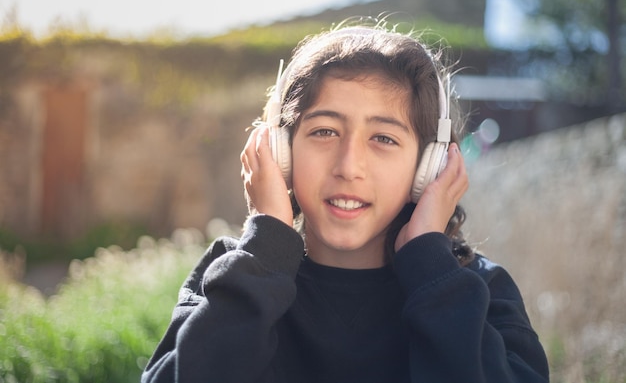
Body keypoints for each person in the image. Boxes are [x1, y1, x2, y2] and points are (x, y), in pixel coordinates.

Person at [141, 20, 550, 383]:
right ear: (281, 152)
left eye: (384, 138)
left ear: (428, 166)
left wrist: (430, 267)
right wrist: (266, 249)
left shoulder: (479, 289)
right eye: (324, 131)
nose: (349, 166)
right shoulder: (238, 275)